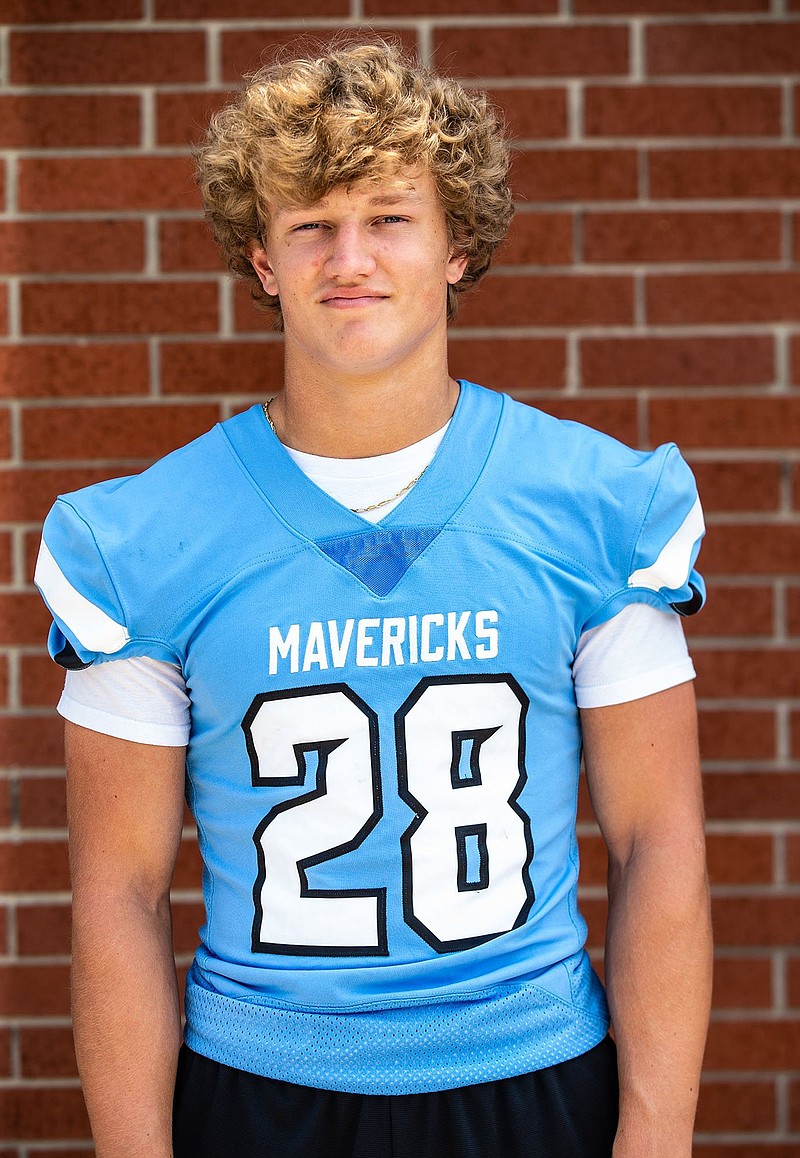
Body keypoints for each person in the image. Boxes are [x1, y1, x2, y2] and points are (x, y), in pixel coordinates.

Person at [34, 39, 712, 1158]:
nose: (348, 257)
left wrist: (654, 1141)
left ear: (455, 245)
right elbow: (118, 892)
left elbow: (656, 843)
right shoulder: (142, 541)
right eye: (309, 224)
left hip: (532, 1077)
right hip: (261, 1088)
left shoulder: (595, 505)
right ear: (261, 259)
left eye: (389, 217)